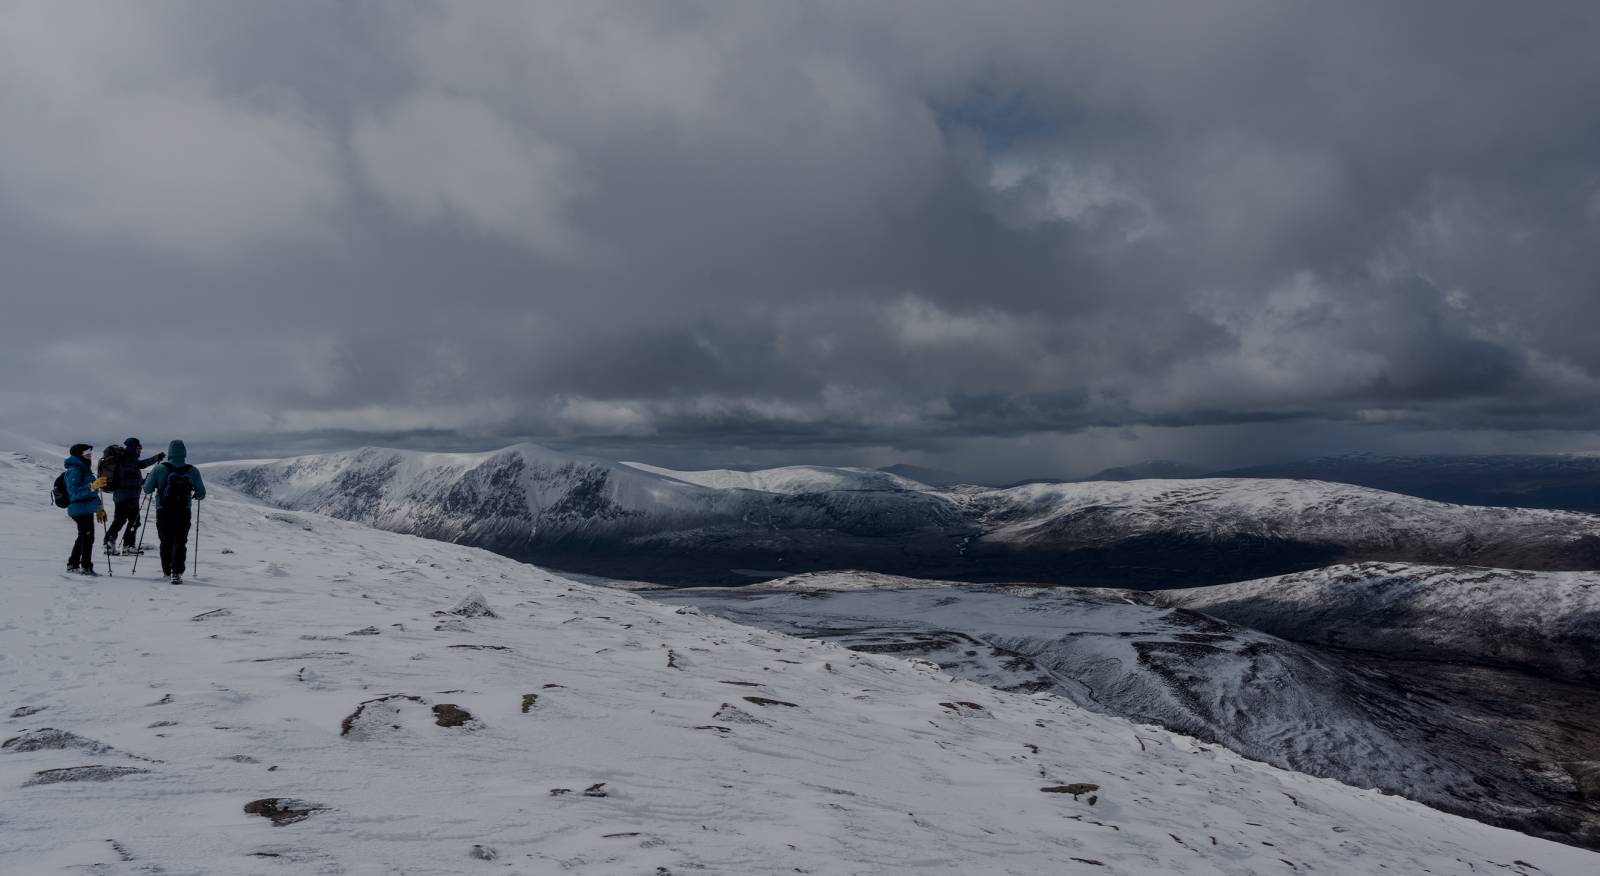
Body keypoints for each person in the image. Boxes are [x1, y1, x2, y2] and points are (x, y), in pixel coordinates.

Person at [143, 439, 205, 584]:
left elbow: (147, 489)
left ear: (170, 452)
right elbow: (201, 493)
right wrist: (195, 495)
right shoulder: (192, 470)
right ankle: (176, 573)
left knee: (165, 541)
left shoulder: (160, 469)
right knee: (180, 541)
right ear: (184, 453)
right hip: (183, 510)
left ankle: (166, 571)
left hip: (163, 510)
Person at [103, 437, 164, 555]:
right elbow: (141, 464)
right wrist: (155, 458)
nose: (140, 450)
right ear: (132, 448)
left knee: (121, 520)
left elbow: (129, 478)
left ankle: (112, 543)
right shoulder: (128, 459)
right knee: (133, 521)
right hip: (128, 496)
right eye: (138, 448)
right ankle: (126, 546)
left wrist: (143, 481)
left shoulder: (126, 460)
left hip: (123, 495)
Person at [63, 444, 106, 576]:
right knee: (87, 537)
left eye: (90, 454)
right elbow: (74, 493)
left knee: (84, 537)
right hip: (79, 508)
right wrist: (92, 486)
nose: (89, 456)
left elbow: (92, 494)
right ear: (79, 455)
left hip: (85, 508)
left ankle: (73, 564)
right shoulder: (75, 470)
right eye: (87, 454)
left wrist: (99, 507)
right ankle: (85, 567)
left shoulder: (84, 469)